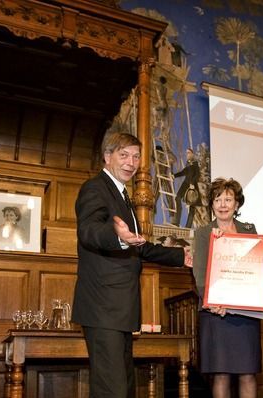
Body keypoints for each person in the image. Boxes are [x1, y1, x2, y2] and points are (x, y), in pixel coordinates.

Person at [71, 132, 193, 398]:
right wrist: (118, 237)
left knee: (123, 388)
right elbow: (89, 230)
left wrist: (180, 256)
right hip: (104, 307)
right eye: (123, 155)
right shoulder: (95, 188)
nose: (131, 162)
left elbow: (140, 246)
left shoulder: (121, 195)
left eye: (136, 156)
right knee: (111, 390)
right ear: (107, 156)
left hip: (119, 311)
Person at [192, 178, 260, 398]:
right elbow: (200, 271)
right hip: (216, 313)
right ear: (212, 204)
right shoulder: (204, 232)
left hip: (244, 313)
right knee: (221, 374)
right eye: (217, 199)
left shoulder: (249, 230)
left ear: (236, 204)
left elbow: (257, 268)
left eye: (228, 199)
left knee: (248, 373)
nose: (222, 204)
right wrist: (212, 301)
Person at [173, 148, 200, 228]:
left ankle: (188, 226)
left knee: (192, 205)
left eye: (188, 153)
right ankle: (177, 222)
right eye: (186, 153)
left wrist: (192, 183)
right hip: (186, 184)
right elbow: (183, 172)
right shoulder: (188, 164)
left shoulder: (195, 164)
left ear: (192, 154)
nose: (187, 155)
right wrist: (174, 175)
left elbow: (197, 175)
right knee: (177, 198)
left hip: (193, 186)